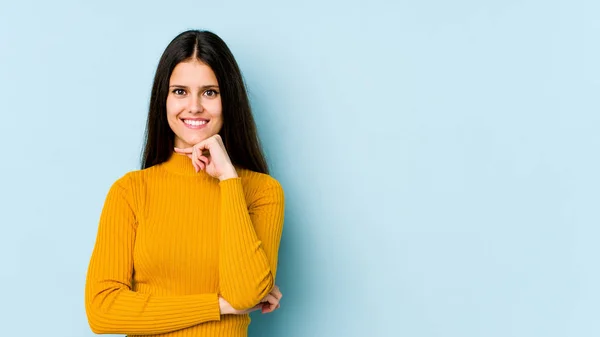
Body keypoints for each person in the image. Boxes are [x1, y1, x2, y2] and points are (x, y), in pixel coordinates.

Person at [84, 30, 285, 337]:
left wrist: (229, 179)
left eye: (210, 92)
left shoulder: (261, 192)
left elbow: (245, 294)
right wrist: (218, 306)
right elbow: (102, 311)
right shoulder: (131, 191)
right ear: (162, 99)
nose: (194, 107)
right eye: (180, 91)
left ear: (228, 100)